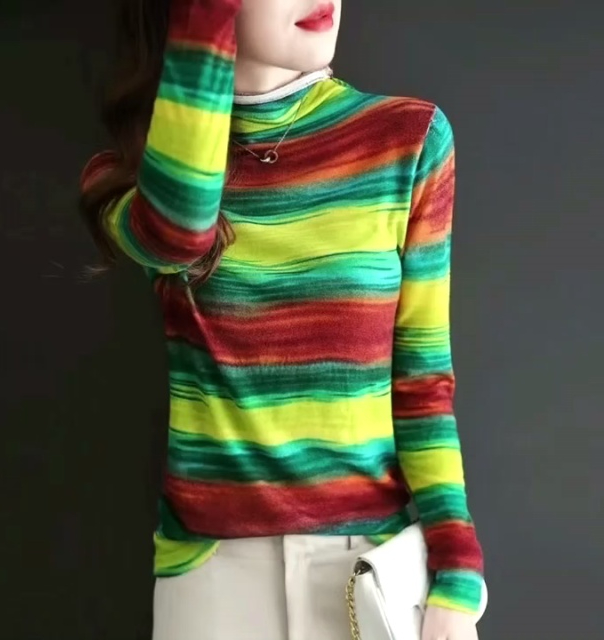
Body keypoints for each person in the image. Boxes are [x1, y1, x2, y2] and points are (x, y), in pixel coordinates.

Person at [80, 1, 487, 638]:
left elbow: (421, 382)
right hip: (211, 582)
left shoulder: (406, 140)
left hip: (367, 576)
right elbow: (179, 231)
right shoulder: (129, 179)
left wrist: (458, 573)